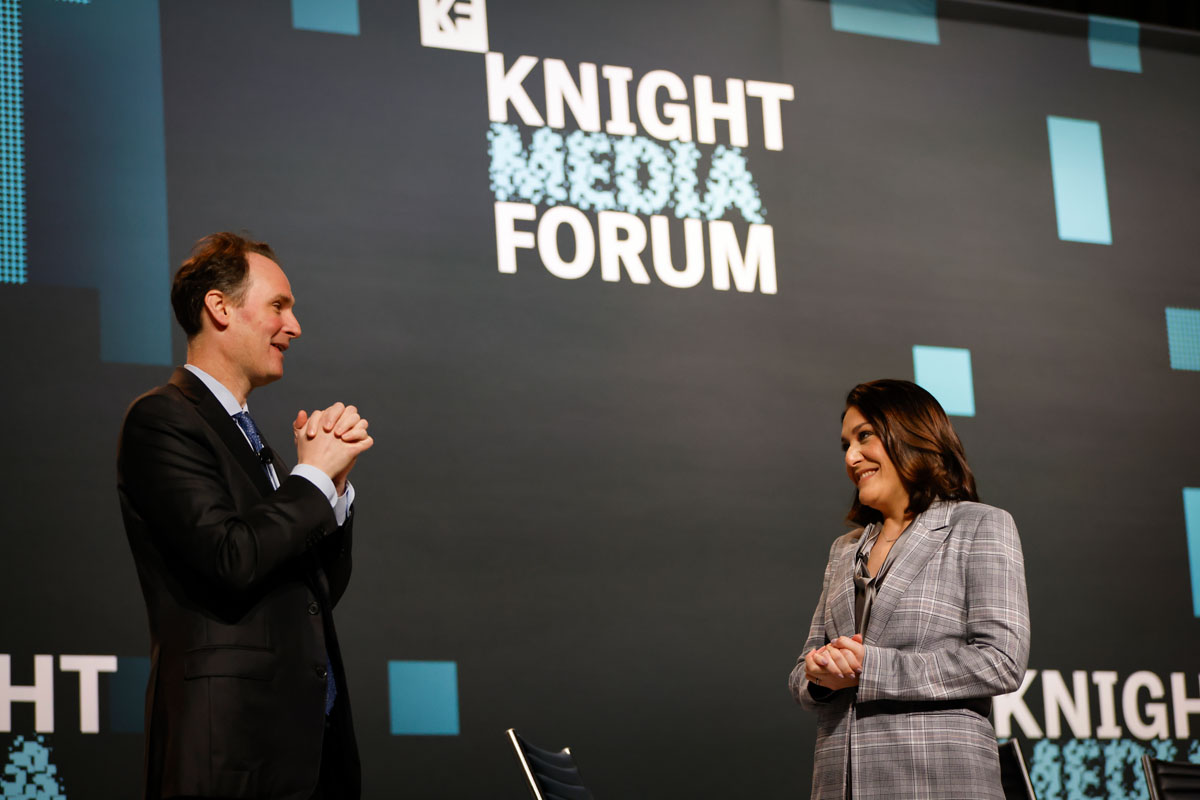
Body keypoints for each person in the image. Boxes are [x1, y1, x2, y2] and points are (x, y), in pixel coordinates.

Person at [117, 232, 373, 800]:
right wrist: (311, 479)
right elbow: (230, 557)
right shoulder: (162, 419)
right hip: (230, 756)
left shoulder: (257, 446)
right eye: (279, 305)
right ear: (220, 307)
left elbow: (314, 595)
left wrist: (332, 487)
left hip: (306, 758)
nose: (294, 326)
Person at [788, 379, 1030, 800]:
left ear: (911, 433)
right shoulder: (844, 550)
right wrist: (820, 674)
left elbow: (1001, 661)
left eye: (864, 436)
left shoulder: (980, 525)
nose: (851, 457)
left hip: (939, 783)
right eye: (845, 445)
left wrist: (870, 668)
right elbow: (802, 672)